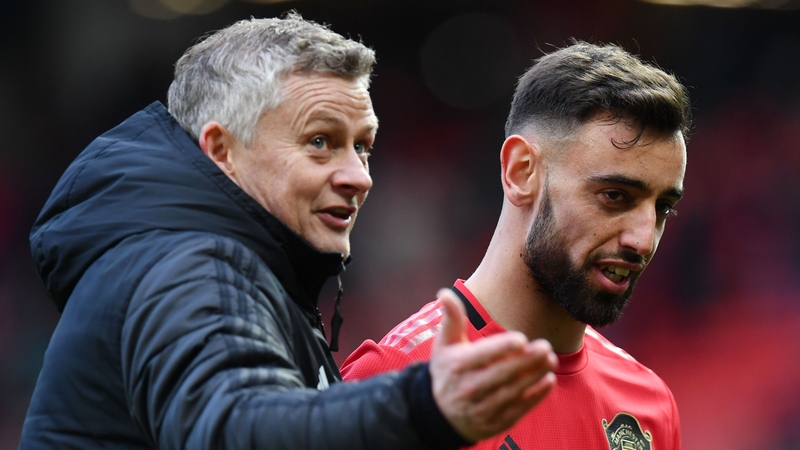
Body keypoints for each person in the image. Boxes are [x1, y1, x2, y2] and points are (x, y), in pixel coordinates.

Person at [20, 13, 559, 449]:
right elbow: (234, 425)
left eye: (362, 146)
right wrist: (420, 406)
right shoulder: (190, 266)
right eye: (320, 142)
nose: (359, 177)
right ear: (222, 150)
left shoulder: (232, 266)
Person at [341, 41, 691, 449]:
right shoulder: (393, 383)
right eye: (615, 196)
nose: (643, 240)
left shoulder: (649, 406)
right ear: (521, 171)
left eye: (663, 208)